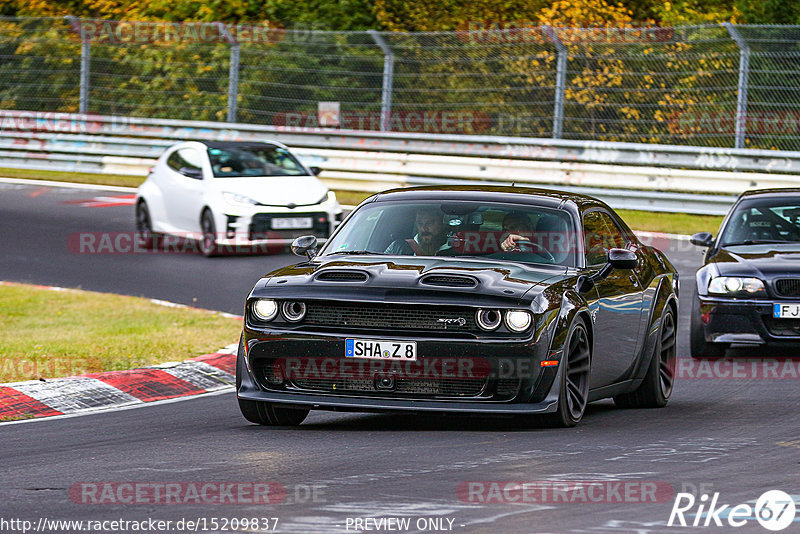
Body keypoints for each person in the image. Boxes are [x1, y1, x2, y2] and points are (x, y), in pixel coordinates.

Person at [384, 206, 450, 256]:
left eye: (429, 223)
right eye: (420, 223)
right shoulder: (396, 248)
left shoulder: (457, 251)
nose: (424, 229)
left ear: (441, 224)